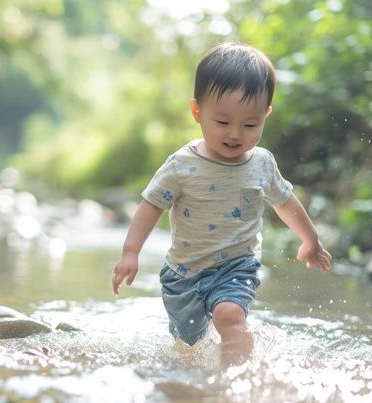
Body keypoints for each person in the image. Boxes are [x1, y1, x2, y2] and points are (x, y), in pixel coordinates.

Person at [111, 42, 332, 362]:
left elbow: (285, 202)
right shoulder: (181, 165)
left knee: (230, 316)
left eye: (250, 124)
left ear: (266, 115)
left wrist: (310, 240)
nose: (235, 134)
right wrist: (130, 252)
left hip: (236, 266)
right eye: (223, 122)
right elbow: (151, 205)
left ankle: (237, 380)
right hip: (183, 273)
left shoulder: (261, 164)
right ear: (198, 112)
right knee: (188, 348)